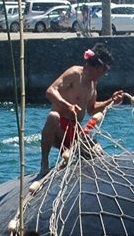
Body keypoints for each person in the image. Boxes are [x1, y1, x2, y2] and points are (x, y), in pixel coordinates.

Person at [40, 44, 125, 173]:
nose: (104, 74)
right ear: (99, 68)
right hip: (58, 129)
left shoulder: (93, 83)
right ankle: (44, 164)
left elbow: (91, 109)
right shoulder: (75, 73)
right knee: (53, 116)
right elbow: (50, 91)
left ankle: (72, 159)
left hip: (75, 132)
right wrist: (67, 106)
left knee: (98, 156)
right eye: (105, 71)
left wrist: (111, 101)